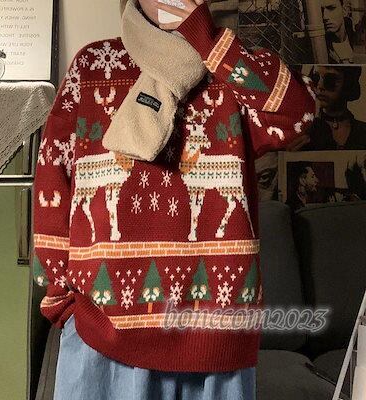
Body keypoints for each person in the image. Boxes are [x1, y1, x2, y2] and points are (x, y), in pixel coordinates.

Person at [32, 0, 316, 399]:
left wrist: (207, 39)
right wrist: (58, 294)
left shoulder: (231, 69)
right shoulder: (93, 65)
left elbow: (297, 114)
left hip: (214, 337)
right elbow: (53, 175)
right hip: (102, 329)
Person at [302, 65, 366, 150]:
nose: (320, 86)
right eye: (316, 77)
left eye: (330, 79)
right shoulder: (304, 130)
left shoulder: (363, 131)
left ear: (348, 83)